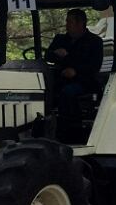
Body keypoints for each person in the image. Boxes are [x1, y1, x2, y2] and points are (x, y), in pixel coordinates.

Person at [44, 9, 104, 139]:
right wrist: (56, 55)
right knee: (44, 91)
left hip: (84, 81)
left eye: (69, 22)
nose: (66, 25)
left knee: (68, 92)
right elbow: (47, 55)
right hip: (60, 79)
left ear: (80, 23)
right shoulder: (60, 39)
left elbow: (93, 66)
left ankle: (70, 132)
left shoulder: (94, 42)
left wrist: (74, 69)